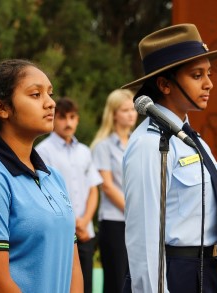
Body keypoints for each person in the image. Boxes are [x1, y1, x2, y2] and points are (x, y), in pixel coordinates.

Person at [0, 59, 83, 293]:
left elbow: (72, 266)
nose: (50, 104)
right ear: (2, 108)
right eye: (35, 95)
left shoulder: (53, 178)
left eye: (50, 94)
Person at [121, 24, 217, 292]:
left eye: (208, 73)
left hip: (207, 270)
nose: (209, 83)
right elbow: (144, 237)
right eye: (197, 75)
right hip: (174, 273)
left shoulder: (190, 139)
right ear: (164, 84)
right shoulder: (150, 144)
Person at [35, 97, 102, 293]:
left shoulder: (84, 151)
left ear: (78, 119)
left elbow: (93, 189)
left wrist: (85, 220)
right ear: (54, 119)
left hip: (85, 231)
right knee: (62, 284)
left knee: (86, 285)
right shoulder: (42, 152)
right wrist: (72, 223)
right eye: (63, 118)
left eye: (72, 117)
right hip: (60, 231)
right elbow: (44, 193)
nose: (68, 123)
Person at [90, 89, 138, 293]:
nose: (131, 114)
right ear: (113, 113)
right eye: (125, 110)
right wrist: (133, 211)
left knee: (135, 279)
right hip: (115, 222)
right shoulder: (103, 146)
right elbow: (107, 186)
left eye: (133, 109)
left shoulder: (138, 142)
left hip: (136, 221)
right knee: (117, 281)